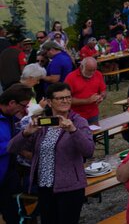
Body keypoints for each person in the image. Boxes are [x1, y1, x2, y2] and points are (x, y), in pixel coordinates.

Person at [8, 82, 94, 224]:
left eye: (68, 97)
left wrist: (73, 131)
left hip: (70, 188)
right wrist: (26, 133)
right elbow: (12, 148)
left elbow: (88, 150)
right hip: (45, 187)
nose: (66, 101)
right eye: (60, 98)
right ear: (49, 102)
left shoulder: (78, 122)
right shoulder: (42, 124)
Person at [0, 84, 32, 224]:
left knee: (16, 214)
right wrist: (14, 146)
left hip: (10, 174)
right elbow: (9, 144)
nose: (25, 110)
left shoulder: (10, 117)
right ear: (12, 103)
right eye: (23, 106)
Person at [64, 57, 106, 124]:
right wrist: (87, 101)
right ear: (81, 66)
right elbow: (66, 99)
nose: (92, 73)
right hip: (76, 116)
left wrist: (101, 97)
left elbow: (103, 91)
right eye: (89, 70)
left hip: (93, 113)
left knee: (94, 133)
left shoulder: (98, 74)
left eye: (94, 70)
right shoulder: (70, 78)